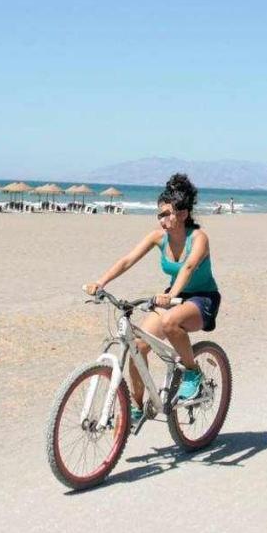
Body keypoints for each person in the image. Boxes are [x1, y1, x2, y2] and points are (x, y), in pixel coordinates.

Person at [85, 173, 221, 423]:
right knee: (137, 345)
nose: (162, 219)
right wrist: (101, 282)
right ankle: (137, 408)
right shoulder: (158, 238)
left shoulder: (199, 238)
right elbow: (127, 260)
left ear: (182, 214)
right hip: (173, 295)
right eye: (159, 214)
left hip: (202, 298)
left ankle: (193, 373)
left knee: (170, 322)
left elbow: (188, 268)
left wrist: (171, 296)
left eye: (167, 214)